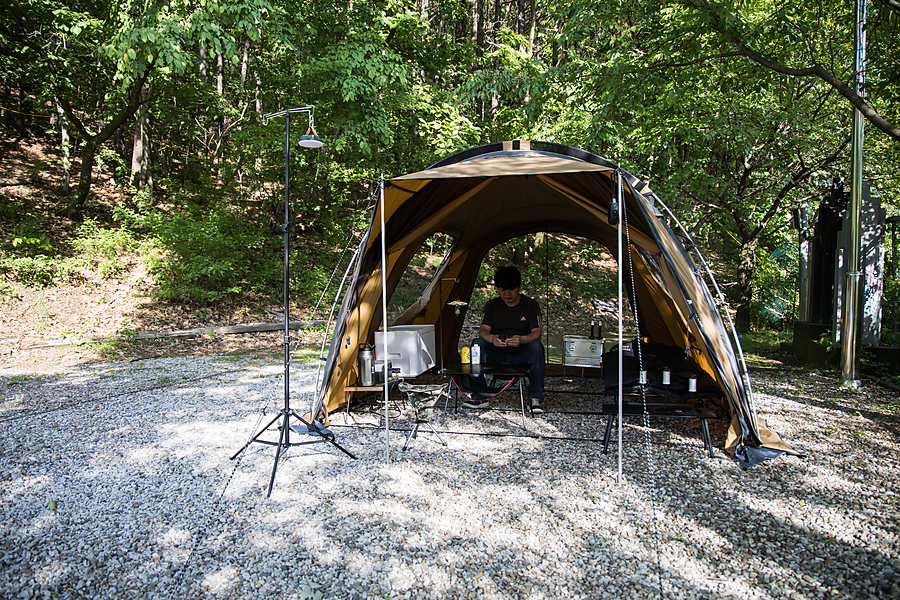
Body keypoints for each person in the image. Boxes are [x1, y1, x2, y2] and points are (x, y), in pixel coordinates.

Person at [464, 266, 546, 413]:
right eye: (502, 290)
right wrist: (492, 339)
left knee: (536, 346)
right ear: (497, 289)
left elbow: (537, 334)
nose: (507, 294)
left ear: (519, 287)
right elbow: (483, 331)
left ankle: (535, 398)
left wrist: (521, 339)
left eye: (511, 290)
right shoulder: (492, 305)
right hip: (497, 354)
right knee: (477, 344)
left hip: (521, 355)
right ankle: (480, 396)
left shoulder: (531, 306)